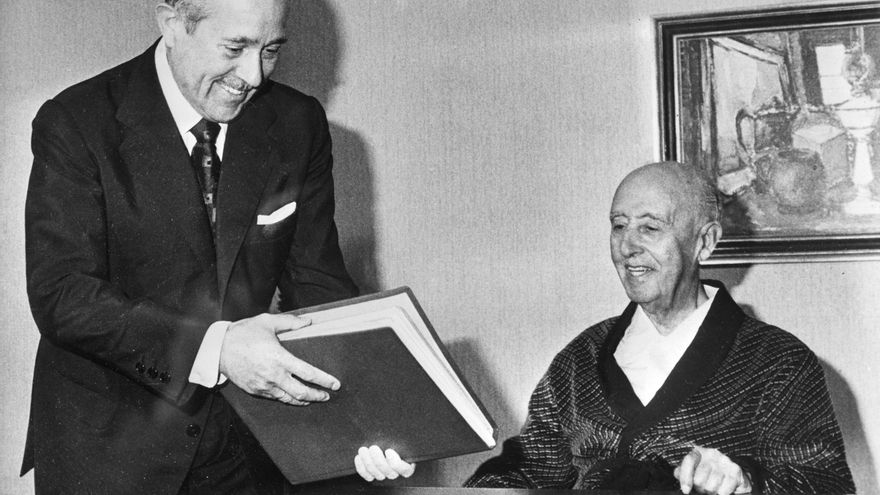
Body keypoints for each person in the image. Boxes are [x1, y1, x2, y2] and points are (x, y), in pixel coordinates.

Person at [22, 0, 376, 492]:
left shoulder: (298, 122)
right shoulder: (76, 121)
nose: (253, 76)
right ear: (172, 25)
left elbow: (319, 285)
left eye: (270, 50)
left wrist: (364, 420)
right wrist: (218, 349)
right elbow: (63, 295)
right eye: (235, 48)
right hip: (110, 448)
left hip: (246, 444)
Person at [357, 161, 855, 493]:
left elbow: (825, 484)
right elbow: (528, 471)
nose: (627, 246)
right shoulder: (582, 357)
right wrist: (408, 459)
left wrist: (745, 480)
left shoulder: (778, 361)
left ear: (704, 242)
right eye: (619, 225)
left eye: (650, 227)